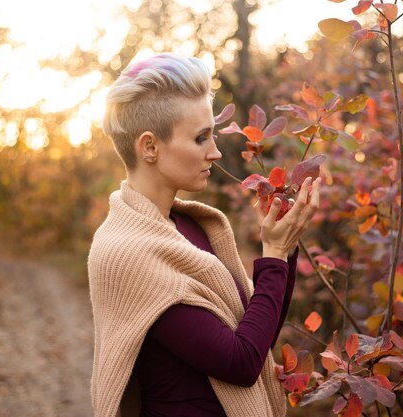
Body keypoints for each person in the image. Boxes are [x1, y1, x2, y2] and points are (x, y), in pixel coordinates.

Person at [88, 53, 321, 417]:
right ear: (149, 147)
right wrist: (273, 254)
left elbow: (257, 341)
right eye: (200, 138)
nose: (214, 153)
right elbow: (241, 364)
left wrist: (284, 249)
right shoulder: (127, 253)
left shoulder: (192, 227)